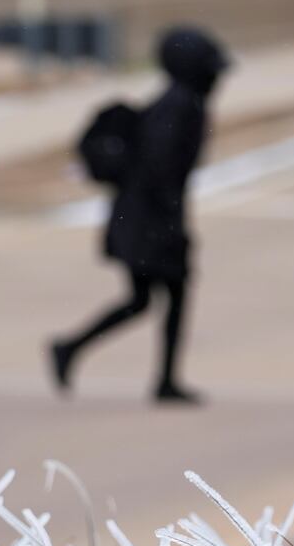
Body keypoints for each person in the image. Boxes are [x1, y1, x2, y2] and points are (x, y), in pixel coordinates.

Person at [51, 26, 230, 405]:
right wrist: (172, 226)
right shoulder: (181, 106)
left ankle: (75, 350)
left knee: (147, 298)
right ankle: (157, 377)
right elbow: (160, 169)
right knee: (159, 295)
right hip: (147, 218)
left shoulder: (180, 102)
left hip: (143, 214)